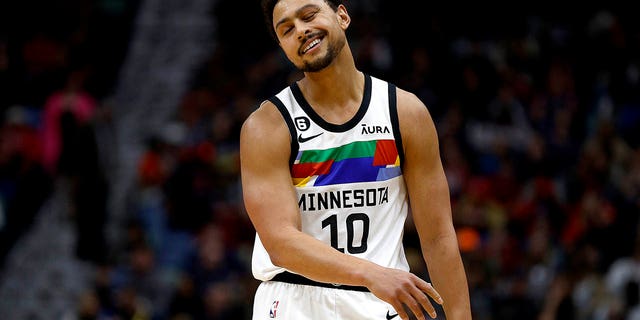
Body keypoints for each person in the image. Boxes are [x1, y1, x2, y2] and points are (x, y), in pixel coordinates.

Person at [239, 0, 472, 319]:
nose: (302, 31)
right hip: (297, 299)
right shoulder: (266, 127)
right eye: (287, 29)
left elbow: (438, 237)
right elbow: (281, 242)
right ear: (283, 46)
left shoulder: (404, 113)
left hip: (383, 301)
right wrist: (370, 274)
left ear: (342, 16)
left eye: (309, 15)